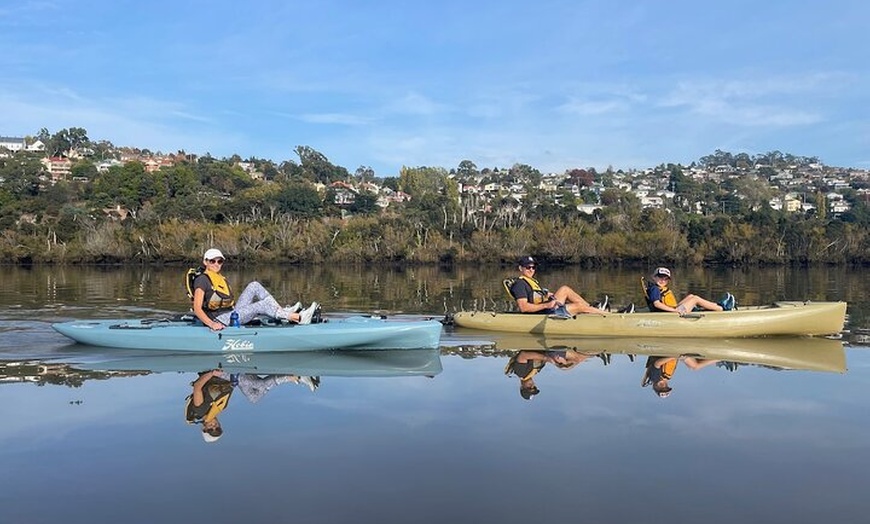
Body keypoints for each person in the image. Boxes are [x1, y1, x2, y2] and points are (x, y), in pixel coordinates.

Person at [191, 248, 319, 330]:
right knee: (260, 306)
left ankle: (281, 312)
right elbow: (197, 308)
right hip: (219, 319)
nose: (216, 264)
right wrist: (212, 324)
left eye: (219, 261)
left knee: (254, 285)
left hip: (232, 313)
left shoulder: (219, 278)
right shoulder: (202, 280)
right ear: (205, 262)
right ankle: (298, 318)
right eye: (212, 261)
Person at [508, 256, 606, 318]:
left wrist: (548, 296)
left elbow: (536, 297)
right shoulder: (519, 284)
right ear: (521, 268)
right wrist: (546, 305)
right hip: (542, 313)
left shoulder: (531, 282)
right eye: (528, 267)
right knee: (578, 306)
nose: (531, 270)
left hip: (548, 307)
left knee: (565, 289)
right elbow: (523, 307)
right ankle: (605, 315)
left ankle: (591, 308)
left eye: (533, 267)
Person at [505, 349, 596, 400]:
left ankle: (595, 354)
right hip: (550, 353)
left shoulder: (520, 373)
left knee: (574, 359)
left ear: (521, 387)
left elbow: (523, 355)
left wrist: (547, 358)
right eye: (534, 388)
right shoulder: (533, 373)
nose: (532, 386)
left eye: (529, 388)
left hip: (548, 351)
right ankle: (595, 354)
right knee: (567, 366)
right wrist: (557, 363)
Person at [643, 267, 735, 315]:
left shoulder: (656, 288)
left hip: (672, 310)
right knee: (695, 299)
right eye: (660, 277)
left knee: (691, 296)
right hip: (671, 313)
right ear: (654, 277)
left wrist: (673, 309)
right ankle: (722, 308)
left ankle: (717, 305)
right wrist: (674, 311)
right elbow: (657, 304)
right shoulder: (655, 289)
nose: (663, 280)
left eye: (666, 279)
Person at [641, 355, 720, 398]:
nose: (664, 386)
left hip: (672, 353)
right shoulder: (666, 377)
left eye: (661, 388)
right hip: (676, 355)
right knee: (692, 366)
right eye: (666, 388)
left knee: (695, 366)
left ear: (656, 387)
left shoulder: (655, 377)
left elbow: (657, 363)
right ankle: (718, 360)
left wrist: (674, 356)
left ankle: (721, 358)